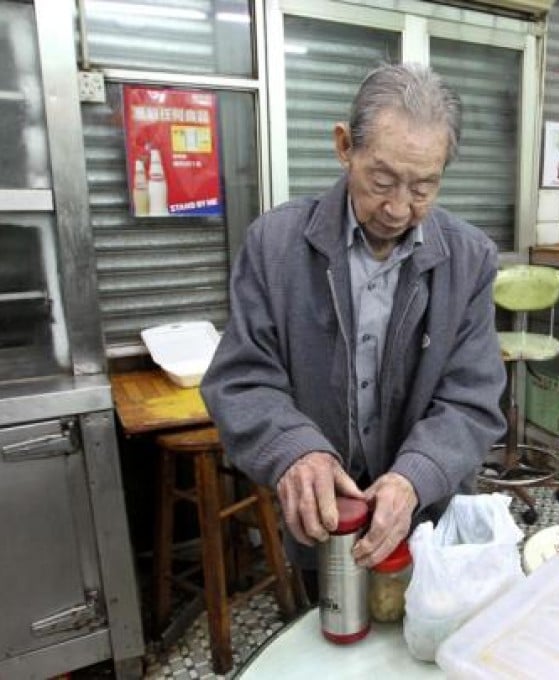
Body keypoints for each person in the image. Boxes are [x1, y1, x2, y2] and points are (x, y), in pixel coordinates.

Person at [200, 63, 506, 594]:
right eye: (382, 180)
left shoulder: (469, 258)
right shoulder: (274, 245)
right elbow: (244, 379)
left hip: (425, 515)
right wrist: (295, 449)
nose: (398, 208)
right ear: (345, 147)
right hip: (323, 517)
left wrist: (416, 475)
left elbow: (471, 397)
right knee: (332, 634)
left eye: (423, 187)